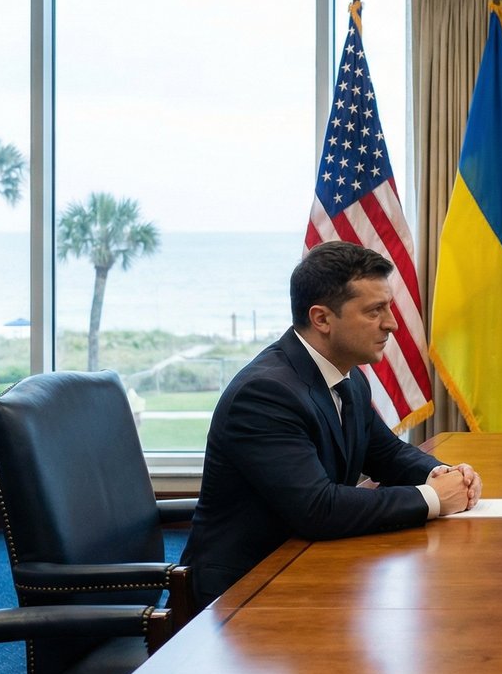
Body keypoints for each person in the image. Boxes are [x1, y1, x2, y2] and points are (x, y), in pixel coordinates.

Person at [182, 241, 480, 610]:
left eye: (388, 307)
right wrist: (434, 498)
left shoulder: (349, 378)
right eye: (375, 311)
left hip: (306, 570)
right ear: (322, 319)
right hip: (242, 595)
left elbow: (386, 454)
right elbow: (317, 508)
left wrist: (445, 473)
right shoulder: (265, 393)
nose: (392, 323)